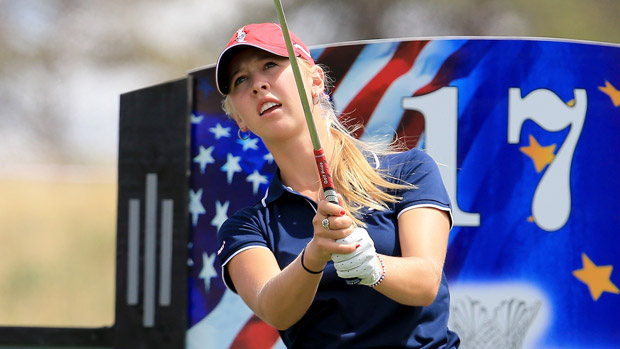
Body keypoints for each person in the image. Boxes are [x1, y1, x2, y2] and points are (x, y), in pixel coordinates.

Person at [215, 22, 460, 348]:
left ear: (315, 81)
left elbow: (426, 282)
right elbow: (275, 310)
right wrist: (314, 255)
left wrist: (372, 265)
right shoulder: (246, 227)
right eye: (240, 80)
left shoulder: (408, 170)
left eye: (270, 65)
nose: (258, 85)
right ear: (240, 120)